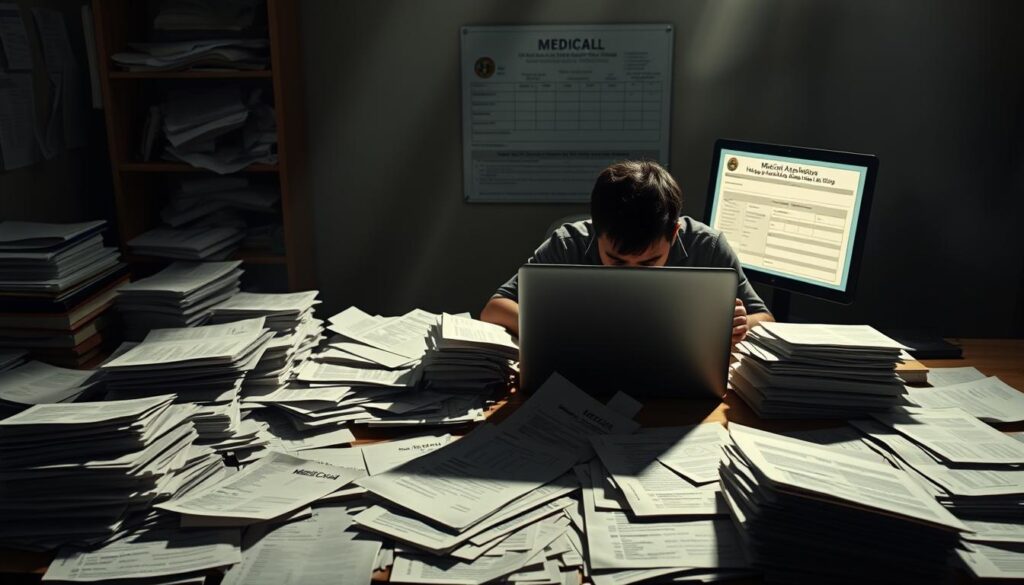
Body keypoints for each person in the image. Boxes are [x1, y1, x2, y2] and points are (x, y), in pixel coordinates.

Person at [480, 160, 774, 341]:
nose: (632, 275)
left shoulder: (708, 247)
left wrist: (737, 325)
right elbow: (494, 309)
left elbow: (765, 320)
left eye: (649, 263)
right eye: (617, 261)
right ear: (596, 231)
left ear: (674, 234)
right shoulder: (568, 243)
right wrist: (561, 328)